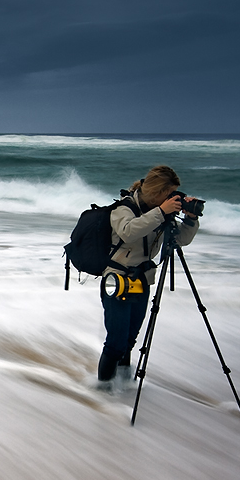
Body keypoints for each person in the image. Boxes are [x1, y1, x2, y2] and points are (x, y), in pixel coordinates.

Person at [97, 165, 200, 389]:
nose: (172, 198)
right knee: (116, 342)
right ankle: (103, 391)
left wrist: (190, 219)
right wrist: (161, 212)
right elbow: (128, 231)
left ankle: (123, 386)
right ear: (156, 192)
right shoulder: (123, 208)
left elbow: (180, 240)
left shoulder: (161, 212)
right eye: (169, 193)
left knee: (130, 339)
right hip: (117, 280)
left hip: (142, 280)